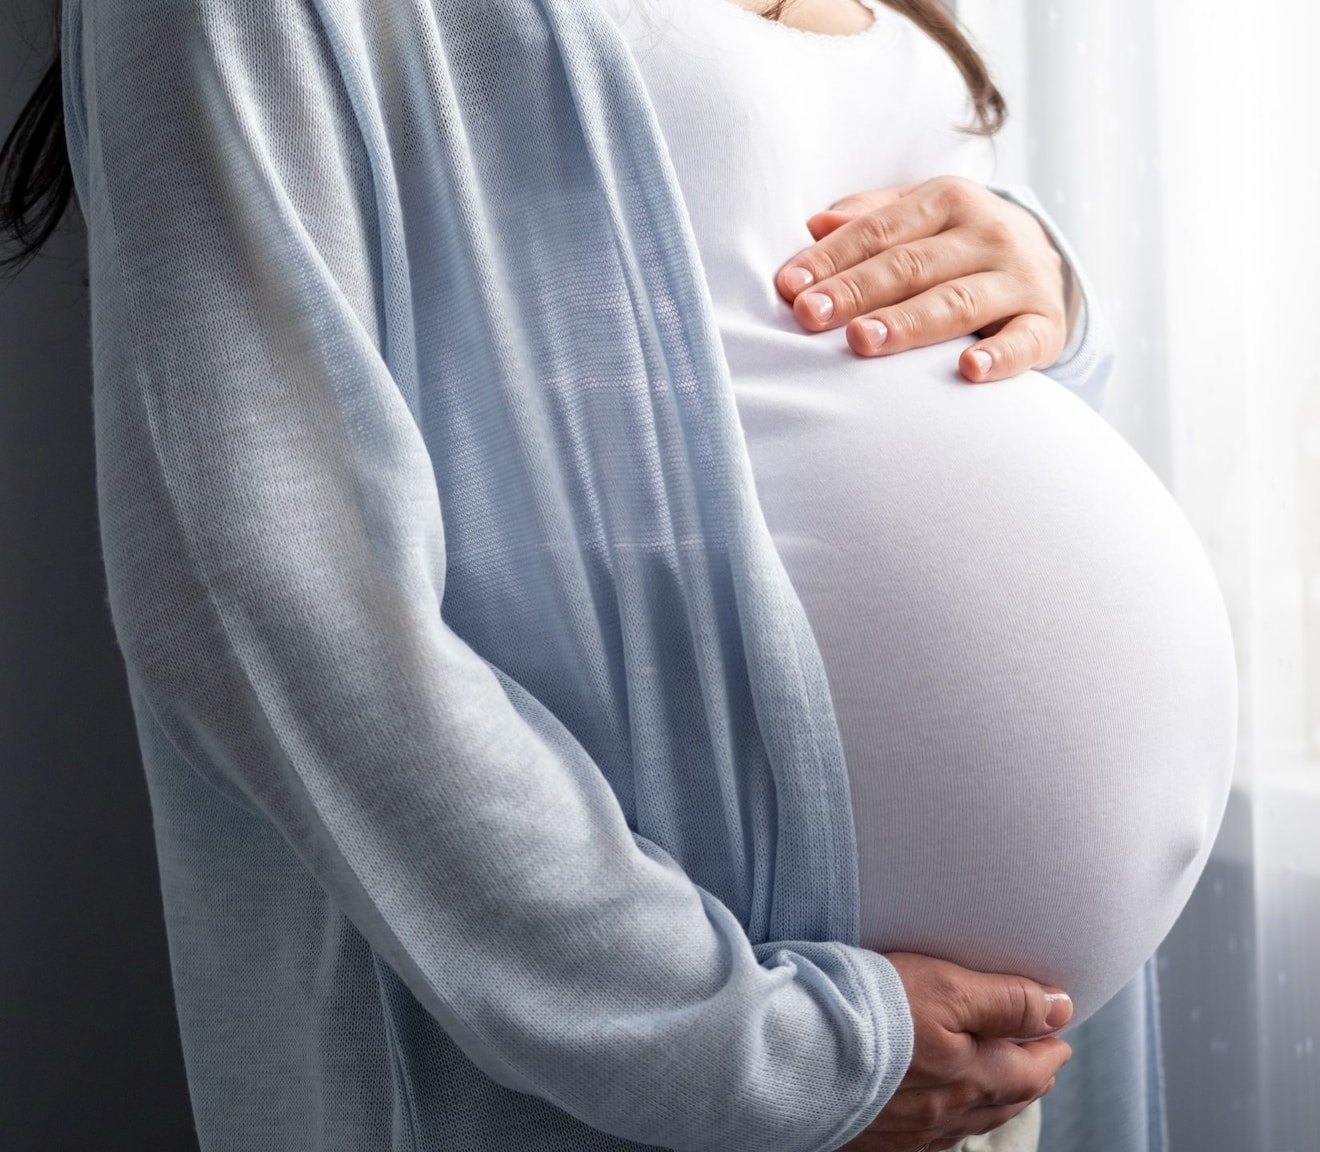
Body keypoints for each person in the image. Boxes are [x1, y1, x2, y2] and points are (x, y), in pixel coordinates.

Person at [0, 0, 1235, 1148]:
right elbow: (263, 595)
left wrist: (1037, 279)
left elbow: (787, 286)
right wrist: (755, 1051)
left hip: (961, 1060)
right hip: (671, 1052)